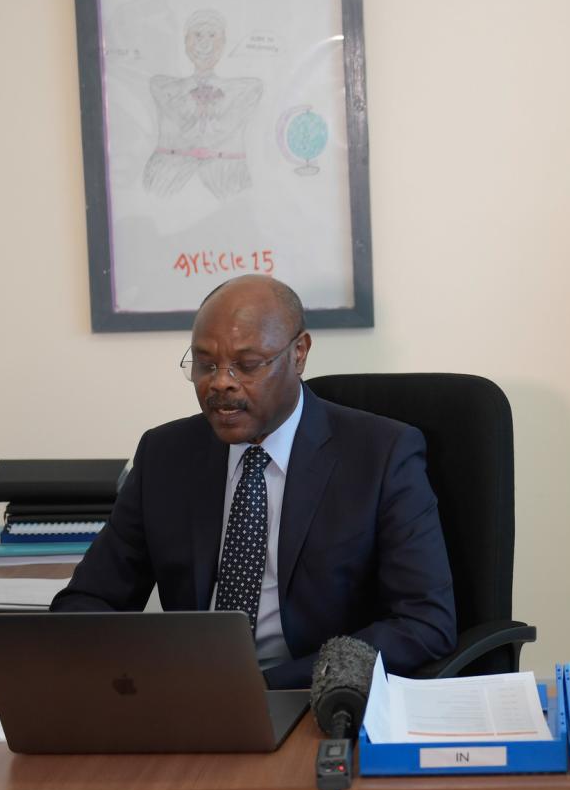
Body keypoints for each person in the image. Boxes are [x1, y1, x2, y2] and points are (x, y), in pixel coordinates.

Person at [51, 275, 456, 689]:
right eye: (205, 364)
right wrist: (144, 674)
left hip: (313, 695)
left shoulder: (381, 455)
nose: (220, 382)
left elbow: (424, 622)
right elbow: (88, 600)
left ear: (299, 353)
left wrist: (265, 686)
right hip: (189, 692)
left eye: (246, 365)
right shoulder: (165, 455)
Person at [142, 9, 264, 198]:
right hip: (167, 174)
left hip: (227, 175)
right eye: (197, 35)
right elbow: (186, 126)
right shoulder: (163, 87)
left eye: (212, 35)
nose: (204, 43)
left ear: (223, 43)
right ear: (185, 42)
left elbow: (221, 128)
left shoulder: (244, 90)